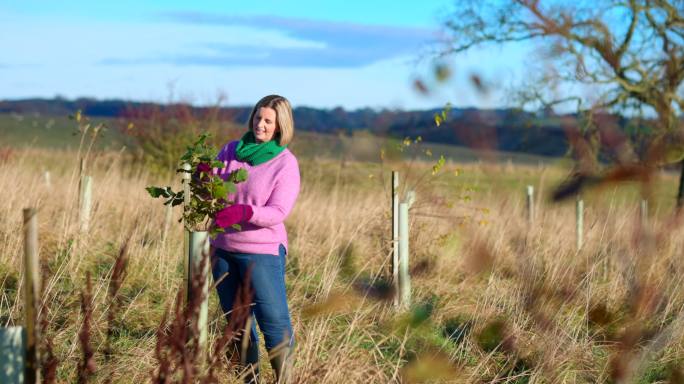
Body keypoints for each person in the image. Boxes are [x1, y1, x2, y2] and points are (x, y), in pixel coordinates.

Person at [210, 94, 300, 383]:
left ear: (280, 126)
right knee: (237, 326)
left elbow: (278, 211)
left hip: (262, 253)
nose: (260, 125)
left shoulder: (285, 163)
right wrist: (203, 177)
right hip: (223, 251)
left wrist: (244, 212)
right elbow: (213, 182)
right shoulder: (231, 150)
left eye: (268, 121)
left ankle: (284, 379)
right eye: (258, 117)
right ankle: (248, 380)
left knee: (273, 323)